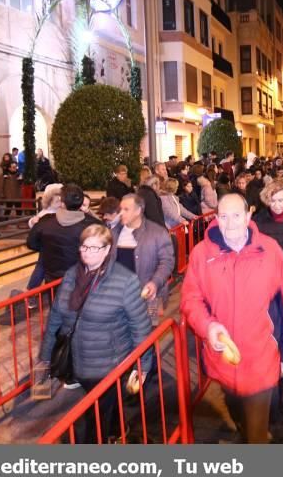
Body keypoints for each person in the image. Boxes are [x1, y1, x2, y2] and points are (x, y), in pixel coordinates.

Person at [180, 193, 283, 443]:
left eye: (236, 215)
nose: (230, 222)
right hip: (223, 361)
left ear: (248, 216)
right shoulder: (202, 253)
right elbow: (190, 300)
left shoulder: (269, 250)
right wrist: (208, 326)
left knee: (256, 435)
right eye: (223, 216)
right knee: (237, 414)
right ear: (216, 218)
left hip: (261, 360)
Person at [39, 225, 152, 442]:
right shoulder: (72, 276)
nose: (88, 252)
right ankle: (118, 431)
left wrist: (143, 366)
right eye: (84, 247)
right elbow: (56, 317)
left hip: (109, 364)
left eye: (95, 248)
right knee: (108, 406)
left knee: (96, 417)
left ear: (107, 249)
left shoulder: (125, 281)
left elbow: (140, 326)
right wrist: (45, 356)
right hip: (79, 360)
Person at [112, 195, 175, 324]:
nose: (121, 213)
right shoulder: (113, 233)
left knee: (150, 331)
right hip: (118, 295)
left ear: (138, 211)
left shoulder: (158, 233)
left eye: (126, 209)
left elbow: (167, 262)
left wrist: (155, 282)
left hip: (150, 296)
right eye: (120, 209)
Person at [27, 184, 101, 283]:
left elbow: (31, 243)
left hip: (53, 280)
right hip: (81, 280)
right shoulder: (94, 224)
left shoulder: (45, 221)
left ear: (62, 203)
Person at [24, 184, 62, 303]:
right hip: (48, 245)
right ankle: (31, 291)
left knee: (42, 266)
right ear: (50, 200)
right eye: (56, 199)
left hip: (53, 245)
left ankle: (32, 290)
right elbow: (33, 223)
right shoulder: (46, 213)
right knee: (41, 266)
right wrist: (33, 222)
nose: (59, 201)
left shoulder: (60, 212)